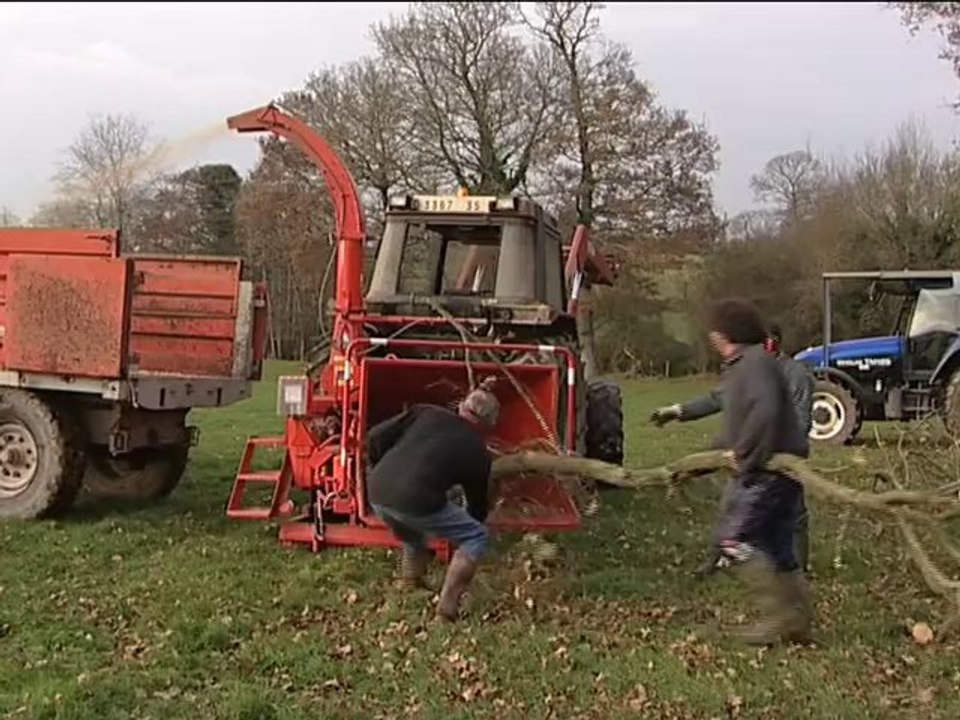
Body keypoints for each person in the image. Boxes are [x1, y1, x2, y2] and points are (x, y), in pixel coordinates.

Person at [679, 299, 813, 645]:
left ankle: (778, 618)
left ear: (726, 333)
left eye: (715, 330)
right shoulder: (751, 363)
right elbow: (740, 421)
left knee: (733, 540)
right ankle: (798, 621)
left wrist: (744, 456)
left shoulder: (753, 365)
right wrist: (703, 460)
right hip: (782, 469)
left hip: (766, 472)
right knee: (778, 544)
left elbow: (764, 412)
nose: (711, 337)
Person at [651, 323, 815, 578]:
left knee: (793, 513)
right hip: (749, 454)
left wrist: (770, 444)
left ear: (772, 343)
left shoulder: (796, 375)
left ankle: (797, 568)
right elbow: (718, 398)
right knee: (732, 508)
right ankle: (715, 562)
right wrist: (678, 411)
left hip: (782, 458)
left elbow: (801, 421)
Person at [365, 383, 500, 622]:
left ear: (462, 406)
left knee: (412, 530)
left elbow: (375, 435)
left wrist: (380, 467)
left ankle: (409, 581)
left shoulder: (425, 412)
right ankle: (446, 613)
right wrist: (465, 527)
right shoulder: (478, 452)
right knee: (476, 536)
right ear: (488, 424)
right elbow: (477, 508)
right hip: (414, 499)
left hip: (377, 492)